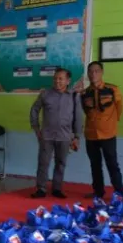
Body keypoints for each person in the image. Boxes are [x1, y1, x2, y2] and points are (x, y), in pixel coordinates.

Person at [29, 68, 81, 199]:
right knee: (43, 163)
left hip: (65, 136)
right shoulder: (45, 94)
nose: (57, 81)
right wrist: (36, 128)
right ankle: (41, 188)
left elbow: (78, 117)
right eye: (55, 78)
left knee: (61, 163)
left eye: (60, 79)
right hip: (47, 135)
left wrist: (76, 136)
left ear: (68, 81)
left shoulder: (74, 96)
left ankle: (57, 188)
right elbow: (34, 110)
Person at [81, 61, 123, 199]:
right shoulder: (85, 93)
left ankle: (120, 193)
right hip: (91, 134)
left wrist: (110, 123)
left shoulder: (112, 89)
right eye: (91, 71)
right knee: (95, 165)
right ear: (88, 74)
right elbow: (85, 111)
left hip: (108, 133)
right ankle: (98, 192)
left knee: (112, 164)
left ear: (102, 72)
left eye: (96, 71)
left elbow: (119, 108)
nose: (93, 74)